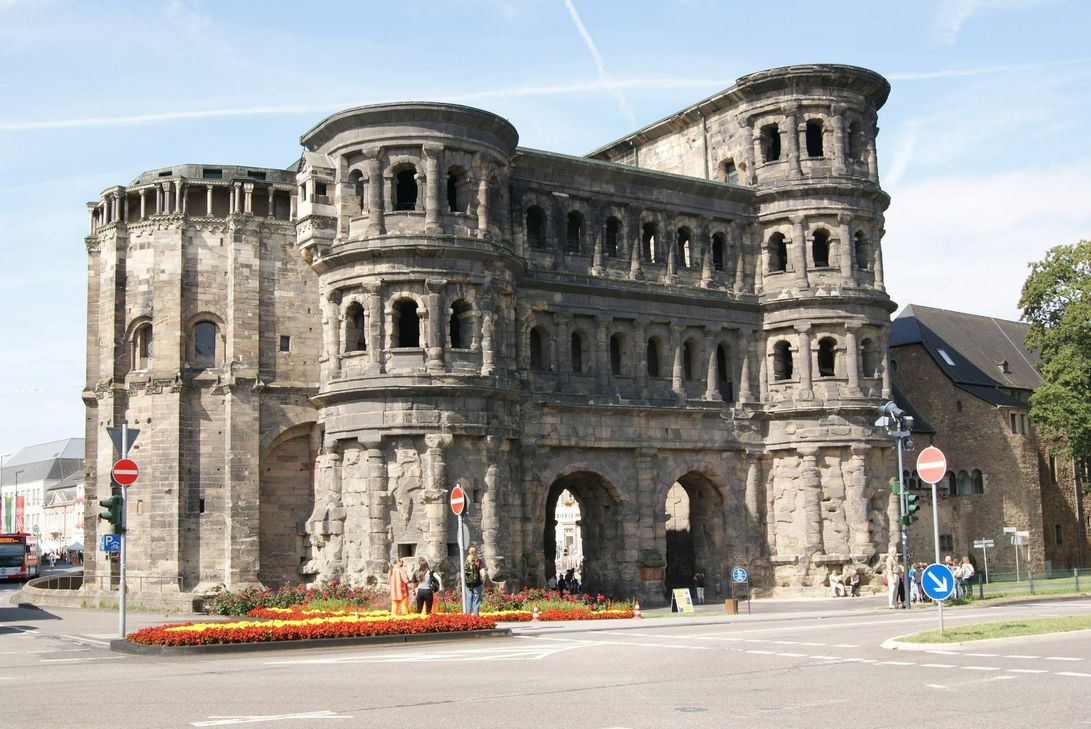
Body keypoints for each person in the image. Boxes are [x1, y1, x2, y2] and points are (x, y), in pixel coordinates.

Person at [464, 546, 485, 615]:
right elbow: (483, 573)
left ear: (469, 552)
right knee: (476, 600)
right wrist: (483, 581)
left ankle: (468, 616)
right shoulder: (479, 561)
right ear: (476, 552)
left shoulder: (466, 561)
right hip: (477, 583)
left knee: (469, 600)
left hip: (468, 584)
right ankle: (476, 616)